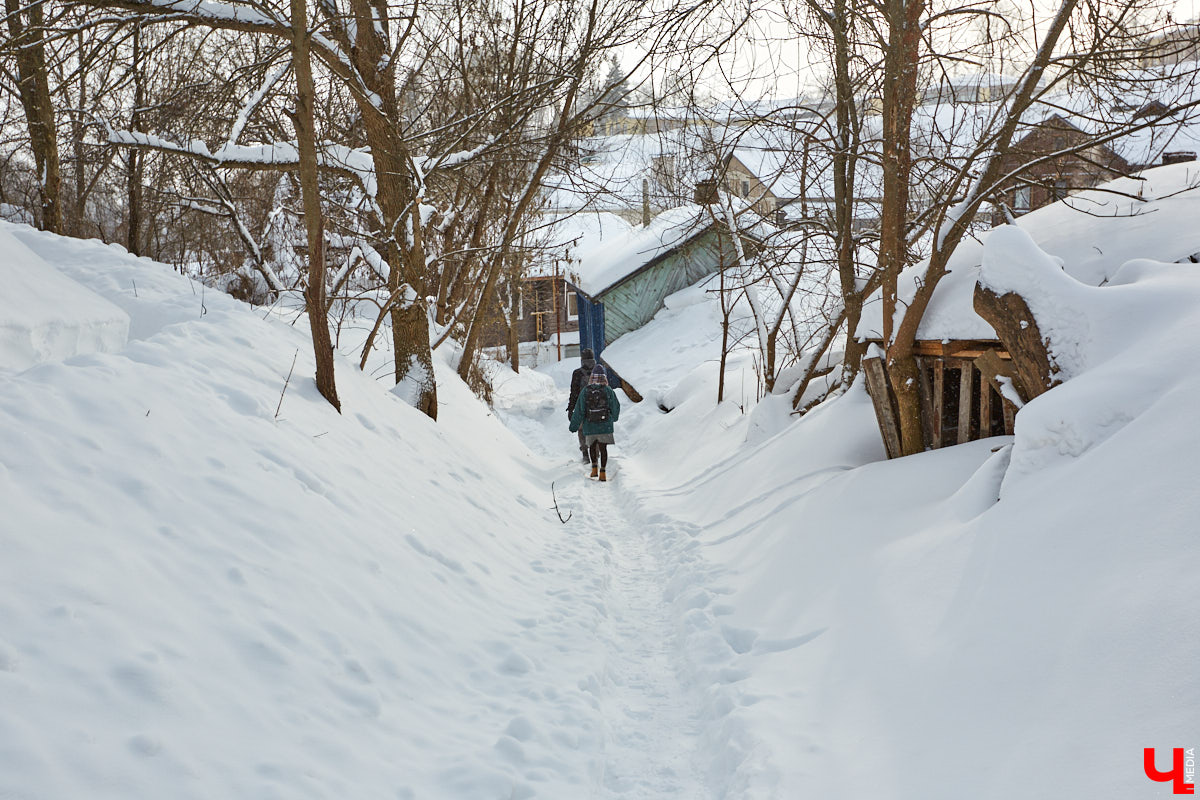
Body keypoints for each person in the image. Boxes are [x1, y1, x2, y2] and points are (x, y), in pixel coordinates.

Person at [569, 363, 621, 482]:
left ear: (592, 377)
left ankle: (594, 469)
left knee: (592, 447)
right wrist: (614, 418)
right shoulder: (608, 390)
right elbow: (615, 406)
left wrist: (574, 426)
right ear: (604, 377)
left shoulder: (585, 391)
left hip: (590, 425)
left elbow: (579, 410)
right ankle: (602, 472)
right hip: (605, 426)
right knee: (603, 449)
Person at [566, 348, 597, 463]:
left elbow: (574, 393)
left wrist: (571, 409)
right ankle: (596, 452)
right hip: (598, 405)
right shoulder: (599, 371)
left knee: (582, 429)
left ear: (582, 359)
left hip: (582, 406)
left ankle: (585, 453)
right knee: (596, 428)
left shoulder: (578, 373)